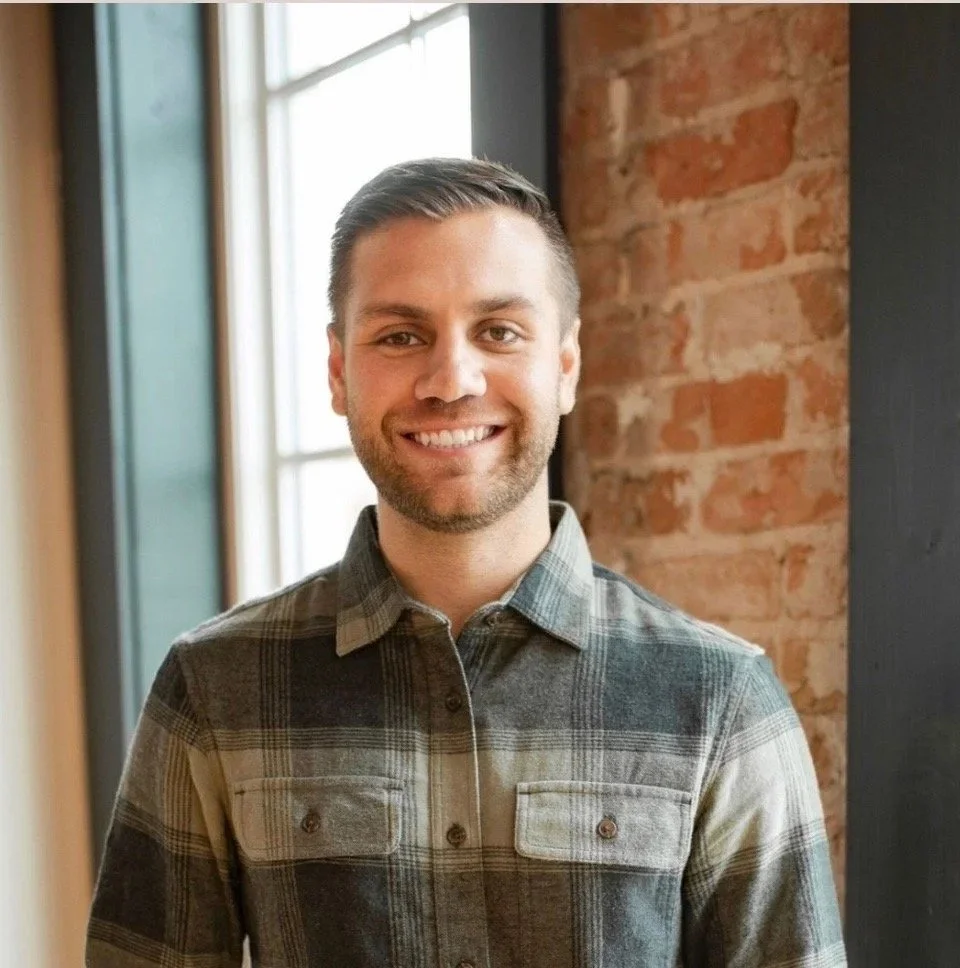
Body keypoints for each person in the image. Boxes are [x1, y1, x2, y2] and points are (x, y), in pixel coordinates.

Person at [86, 158, 847, 967]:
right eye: (401, 335)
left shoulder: (721, 700)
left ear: (565, 366)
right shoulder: (212, 688)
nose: (451, 380)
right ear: (340, 371)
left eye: (499, 331)